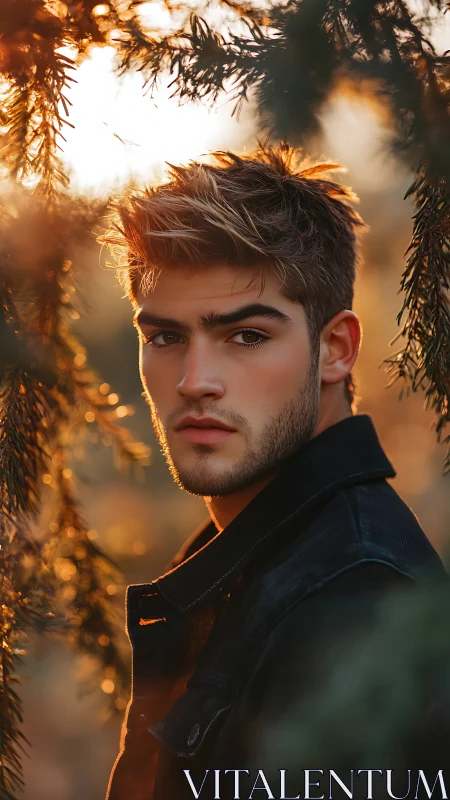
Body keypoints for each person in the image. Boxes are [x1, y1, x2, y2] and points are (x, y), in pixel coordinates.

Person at [102, 143, 448, 800]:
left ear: (335, 349)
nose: (195, 382)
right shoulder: (244, 554)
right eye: (166, 337)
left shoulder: (354, 600)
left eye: (247, 336)